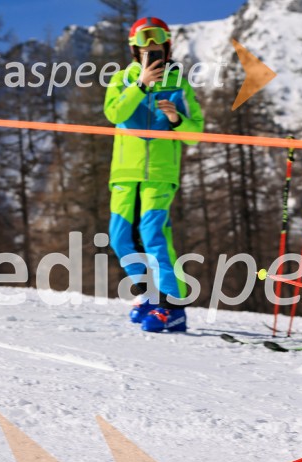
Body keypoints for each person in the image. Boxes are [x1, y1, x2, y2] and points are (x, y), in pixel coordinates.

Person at [104, 17, 204, 333]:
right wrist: (141, 85)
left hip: (159, 173)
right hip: (124, 172)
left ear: (167, 47)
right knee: (120, 237)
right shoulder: (121, 80)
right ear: (134, 51)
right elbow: (114, 113)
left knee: (153, 234)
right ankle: (150, 296)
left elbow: (195, 133)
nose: (152, 52)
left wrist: (177, 120)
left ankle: (173, 307)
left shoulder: (179, 83)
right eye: (145, 48)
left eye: (157, 47)